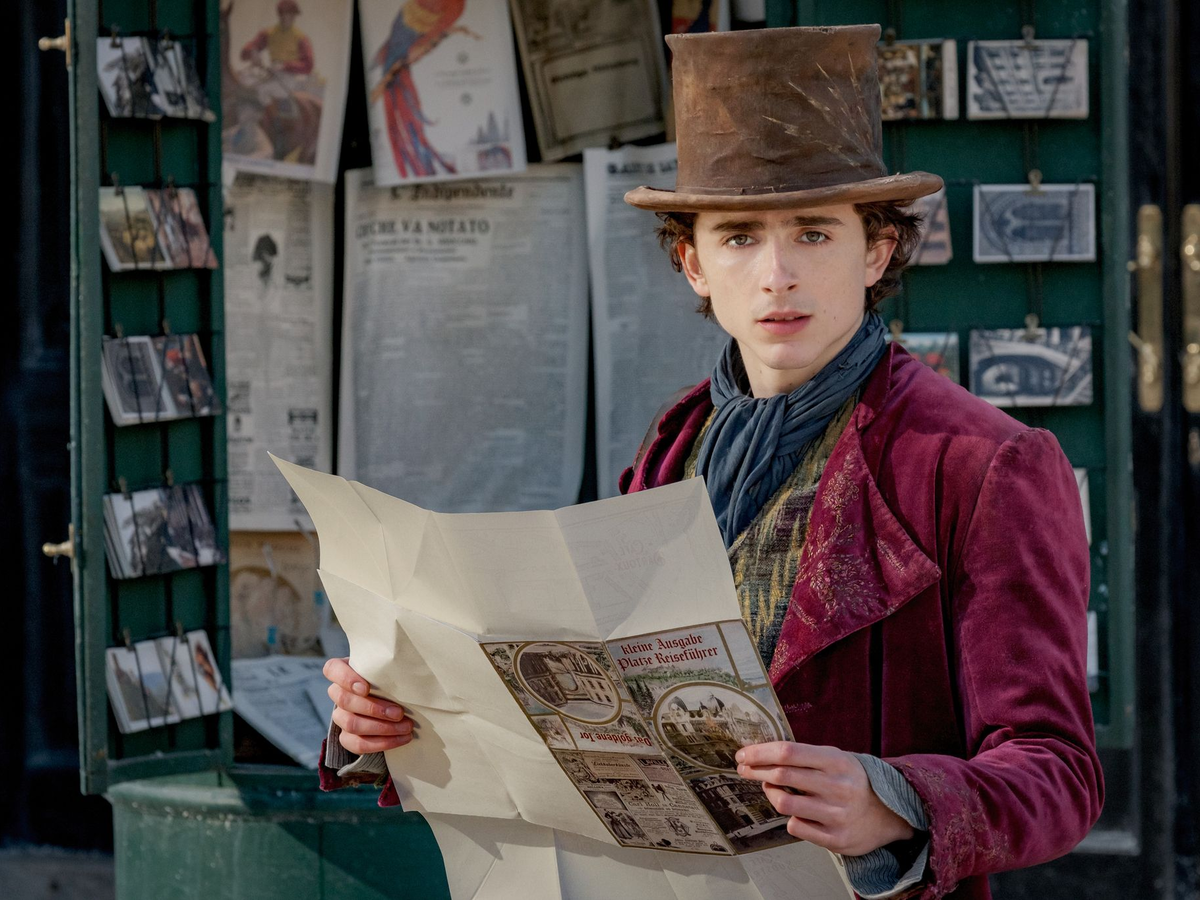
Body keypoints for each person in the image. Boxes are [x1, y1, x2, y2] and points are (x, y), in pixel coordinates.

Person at [321, 25, 1102, 900]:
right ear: (692, 262)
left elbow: (1059, 771)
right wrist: (395, 719)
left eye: (814, 233)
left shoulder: (984, 464)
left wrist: (894, 800)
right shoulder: (675, 441)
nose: (776, 274)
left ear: (876, 251)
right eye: (737, 238)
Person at [240, 0, 314, 76]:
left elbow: (308, 66)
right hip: (274, 74)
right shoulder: (268, 33)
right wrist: (252, 52)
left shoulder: (301, 38)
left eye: (291, 14)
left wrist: (285, 66)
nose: (286, 17)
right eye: (283, 13)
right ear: (279, 14)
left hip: (294, 76)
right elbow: (243, 54)